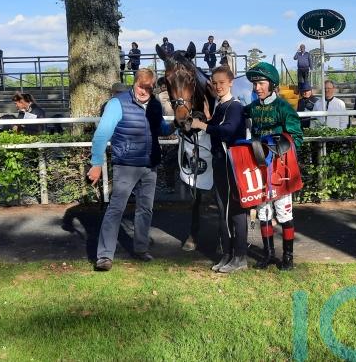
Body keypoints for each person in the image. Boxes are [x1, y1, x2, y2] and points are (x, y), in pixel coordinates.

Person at [87, 68, 175, 271]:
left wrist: (176, 125)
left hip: (150, 165)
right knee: (116, 209)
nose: (144, 91)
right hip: (126, 165)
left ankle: (141, 249)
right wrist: (96, 163)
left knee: (145, 209)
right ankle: (104, 256)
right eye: (141, 86)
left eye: (149, 88)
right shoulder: (117, 103)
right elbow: (102, 134)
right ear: (134, 83)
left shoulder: (155, 104)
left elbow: (161, 129)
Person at [244, 62, 303, 270]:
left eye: (261, 83)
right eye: (255, 84)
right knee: (264, 213)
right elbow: (236, 116)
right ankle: (268, 254)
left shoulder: (284, 108)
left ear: (272, 84)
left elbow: (297, 137)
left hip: (280, 170)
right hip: (260, 168)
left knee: (284, 214)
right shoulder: (252, 107)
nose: (257, 87)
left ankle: (288, 257)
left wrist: (281, 144)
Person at [190, 65, 248, 273]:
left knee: (236, 211)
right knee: (223, 210)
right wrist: (206, 118)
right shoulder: (220, 106)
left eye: (222, 82)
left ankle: (240, 256)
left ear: (231, 82)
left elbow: (227, 131)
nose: (218, 86)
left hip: (231, 165)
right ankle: (227, 253)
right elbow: (215, 127)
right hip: (220, 164)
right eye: (214, 83)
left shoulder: (235, 106)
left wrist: (203, 125)